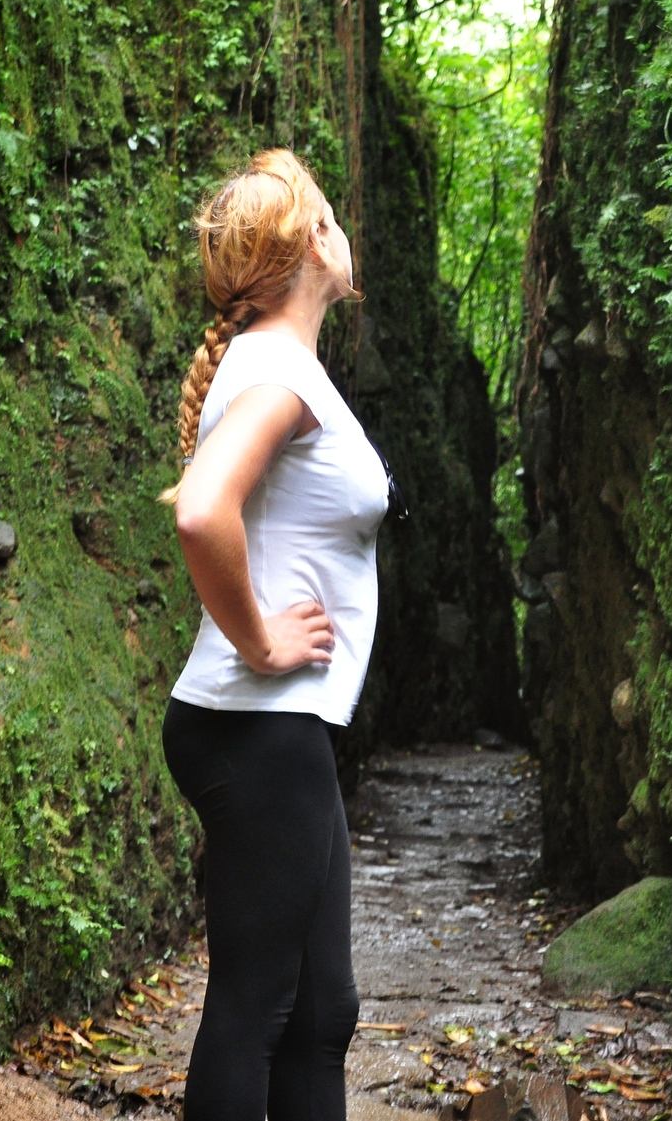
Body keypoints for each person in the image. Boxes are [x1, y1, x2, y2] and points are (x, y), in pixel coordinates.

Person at [157, 148, 388, 1120]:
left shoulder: (276, 364)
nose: (344, 231)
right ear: (307, 245)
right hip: (257, 724)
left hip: (278, 731)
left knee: (321, 1007)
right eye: (329, 215)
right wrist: (258, 641)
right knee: (257, 1004)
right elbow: (202, 510)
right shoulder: (281, 375)